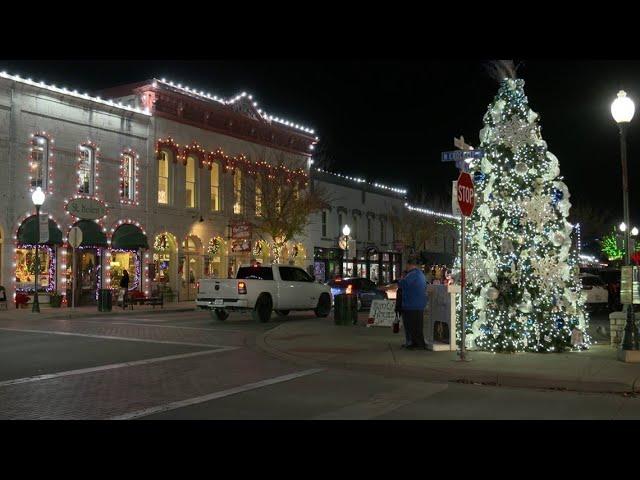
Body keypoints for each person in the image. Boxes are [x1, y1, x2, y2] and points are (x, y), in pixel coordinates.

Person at [399, 258, 428, 350]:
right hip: (416, 303)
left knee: (412, 325)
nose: (406, 267)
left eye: (407, 265)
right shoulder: (419, 274)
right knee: (415, 325)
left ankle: (416, 343)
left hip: (412, 304)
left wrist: (400, 280)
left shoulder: (413, 274)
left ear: (410, 265)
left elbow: (404, 284)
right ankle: (414, 342)